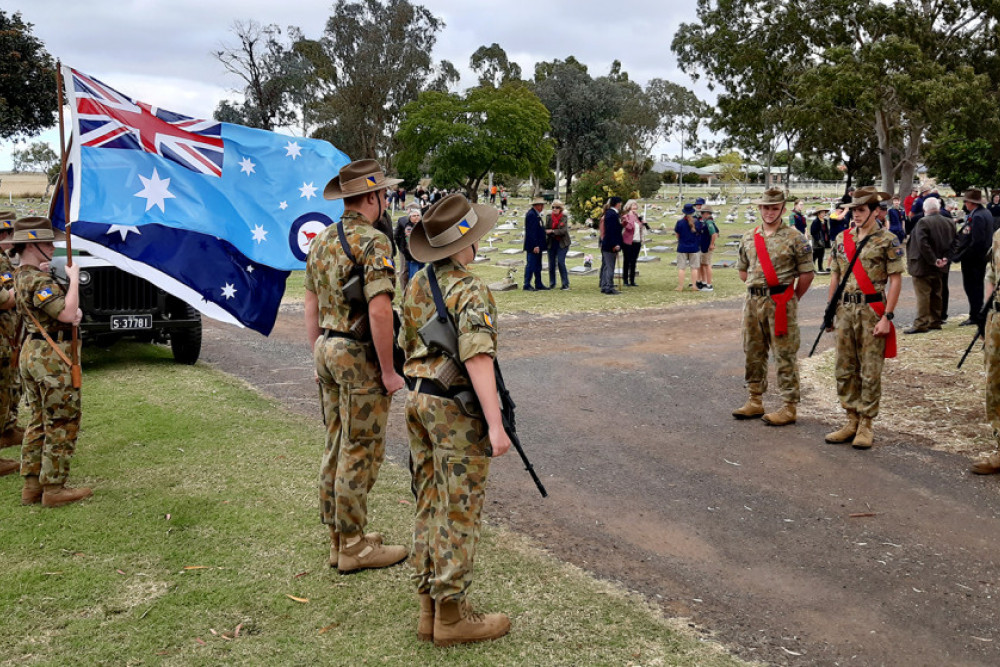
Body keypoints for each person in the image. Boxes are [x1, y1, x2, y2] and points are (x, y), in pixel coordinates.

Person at [400, 193, 512, 646]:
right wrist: (496, 424)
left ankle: (429, 606)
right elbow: (478, 357)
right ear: (464, 243)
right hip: (453, 408)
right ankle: (451, 616)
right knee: (459, 507)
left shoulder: (417, 284)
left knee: (429, 499)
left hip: (418, 400)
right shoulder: (470, 288)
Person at [305, 159, 408, 573]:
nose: (386, 200)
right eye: (384, 193)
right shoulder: (374, 242)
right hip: (357, 356)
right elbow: (380, 311)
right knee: (360, 448)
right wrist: (388, 370)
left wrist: (317, 354)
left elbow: (310, 304)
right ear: (371, 197)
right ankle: (353, 546)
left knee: (336, 442)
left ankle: (340, 536)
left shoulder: (322, 239)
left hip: (327, 347)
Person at [12, 216, 89, 507]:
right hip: (52, 358)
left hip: (33, 351)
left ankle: (31, 486)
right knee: (62, 420)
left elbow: (56, 310)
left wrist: (69, 307)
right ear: (33, 245)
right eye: (47, 242)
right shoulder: (40, 280)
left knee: (38, 421)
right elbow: (69, 314)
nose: (53, 247)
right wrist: (73, 280)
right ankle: (54, 489)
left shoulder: (21, 275)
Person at [824, 188, 904, 449]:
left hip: (872, 312)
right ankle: (850, 419)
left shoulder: (887, 240)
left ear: (874, 211)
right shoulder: (841, 238)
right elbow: (835, 276)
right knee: (844, 368)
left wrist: (887, 317)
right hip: (845, 310)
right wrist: (829, 310)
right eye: (853, 210)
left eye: (860, 210)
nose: (855, 215)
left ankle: (866, 423)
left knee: (870, 370)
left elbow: (895, 281)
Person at [733, 188, 814, 426]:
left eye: (774, 208)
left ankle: (789, 406)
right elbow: (742, 271)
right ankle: (755, 400)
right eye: (765, 207)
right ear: (759, 208)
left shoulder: (795, 237)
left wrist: (791, 297)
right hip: (752, 303)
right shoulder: (749, 236)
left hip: (780, 303)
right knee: (753, 350)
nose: (769, 212)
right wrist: (757, 289)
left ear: (782, 209)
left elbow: (807, 274)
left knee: (784, 354)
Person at [904, 197, 954, 334]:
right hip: (941, 265)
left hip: (923, 264)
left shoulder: (923, 222)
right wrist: (945, 259)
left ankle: (921, 323)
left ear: (925, 209)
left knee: (923, 295)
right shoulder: (949, 222)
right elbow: (955, 243)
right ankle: (935, 320)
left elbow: (922, 244)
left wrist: (933, 260)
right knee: (937, 294)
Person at [0, 211, 22, 478]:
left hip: (6, 339)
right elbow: (5, 300)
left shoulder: (4, 259)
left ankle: (7, 429)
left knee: (7, 391)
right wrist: (26, 287)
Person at [953, 189, 994, 328]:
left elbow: (977, 241)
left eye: (966, 201)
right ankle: (976, 313)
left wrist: (960, 256)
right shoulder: (984, 213)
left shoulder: (977, 216)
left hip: (974, 259)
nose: (965, 204)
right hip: (980, 257)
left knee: (972, 287)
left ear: (971, 203)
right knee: (976, 286)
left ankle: (975, 315)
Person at [674, 203, 703, 292]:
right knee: (694, 268)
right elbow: (699, 233)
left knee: (681, 268)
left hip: (682, 247)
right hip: (694, 247)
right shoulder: (697, 222)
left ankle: (680, 286)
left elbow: (677, 235)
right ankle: (694, 285)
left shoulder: (679, 222)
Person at [395, 205, 424, 294]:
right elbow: (409, 243)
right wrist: (403, 250)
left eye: (418, 215)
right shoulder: (408, 228)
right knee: (413, 276)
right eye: (414, 216)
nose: (416, 217)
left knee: (421, 275)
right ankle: (410, 294)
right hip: (412, 256)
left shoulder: (421, 225)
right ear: (410, 217)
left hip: (421, 256)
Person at [522, 196, 548, 291]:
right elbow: (531, 232)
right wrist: (535, 245)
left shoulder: (536, 214)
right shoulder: (531, 215)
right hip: (533, 246)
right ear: (537, 206)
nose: (543, 207)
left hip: (538, 245)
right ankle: (527, 284)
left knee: (538, 265)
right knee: (531, 265)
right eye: (541, 205)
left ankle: (538, 283)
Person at [544, 199, 571, 290]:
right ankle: (552, 283)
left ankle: (565, 283)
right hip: (551, 243)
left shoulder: (564, 217)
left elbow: (563, 231)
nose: (554, 209)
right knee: (551, 264)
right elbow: (546, 228)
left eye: (557, 207)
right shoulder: (548, 217)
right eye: (553, 207)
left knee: (560, 262)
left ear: (561, 209)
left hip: (562, 243)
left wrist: (552, 231)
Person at [599, 197, 623, 295]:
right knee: (610, 267)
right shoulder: (612, 214)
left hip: (607, 243)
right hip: (610, 244)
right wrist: (615, 244)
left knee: (606, 266)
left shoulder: (609, 213)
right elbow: (612, 231)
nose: (621, 205)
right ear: (617, 204)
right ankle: (609, 287)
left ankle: (604, 285)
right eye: (620, 203)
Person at [621, 199, 642, 287]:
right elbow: (629, 227)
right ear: (629, 207)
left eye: (636, 206)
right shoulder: (626, 217)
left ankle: (632, 280)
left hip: (637, 241)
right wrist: (631, 216)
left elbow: (640, 228)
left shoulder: (638, 217)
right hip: (628, 242)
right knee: (627, 261)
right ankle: (625, 280)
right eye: (633, 206)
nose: (635, 207)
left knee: (634, 261)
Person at [698, 205, 719, 291]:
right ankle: (704, 282)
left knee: (707, 265)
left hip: (707, 247)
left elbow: (714, 234)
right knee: (702, 264)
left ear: (707, 213)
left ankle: (709, 285)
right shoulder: (706, 221)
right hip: (703, 246)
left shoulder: (709, 223)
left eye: (702, 213)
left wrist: (711, 244)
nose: (701, 214)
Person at [810, 207, 831, 274]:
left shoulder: (825, 221)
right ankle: (811, 269)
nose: (823, 213)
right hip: (817, 241)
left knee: (821, 255)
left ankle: (820, 268)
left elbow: (826, 231)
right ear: (818, 214)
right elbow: (813, 232)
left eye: (824, 212)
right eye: (822, 212)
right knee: (815, 255)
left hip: (824, 240)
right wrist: (818, 240)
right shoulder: (815, 222)